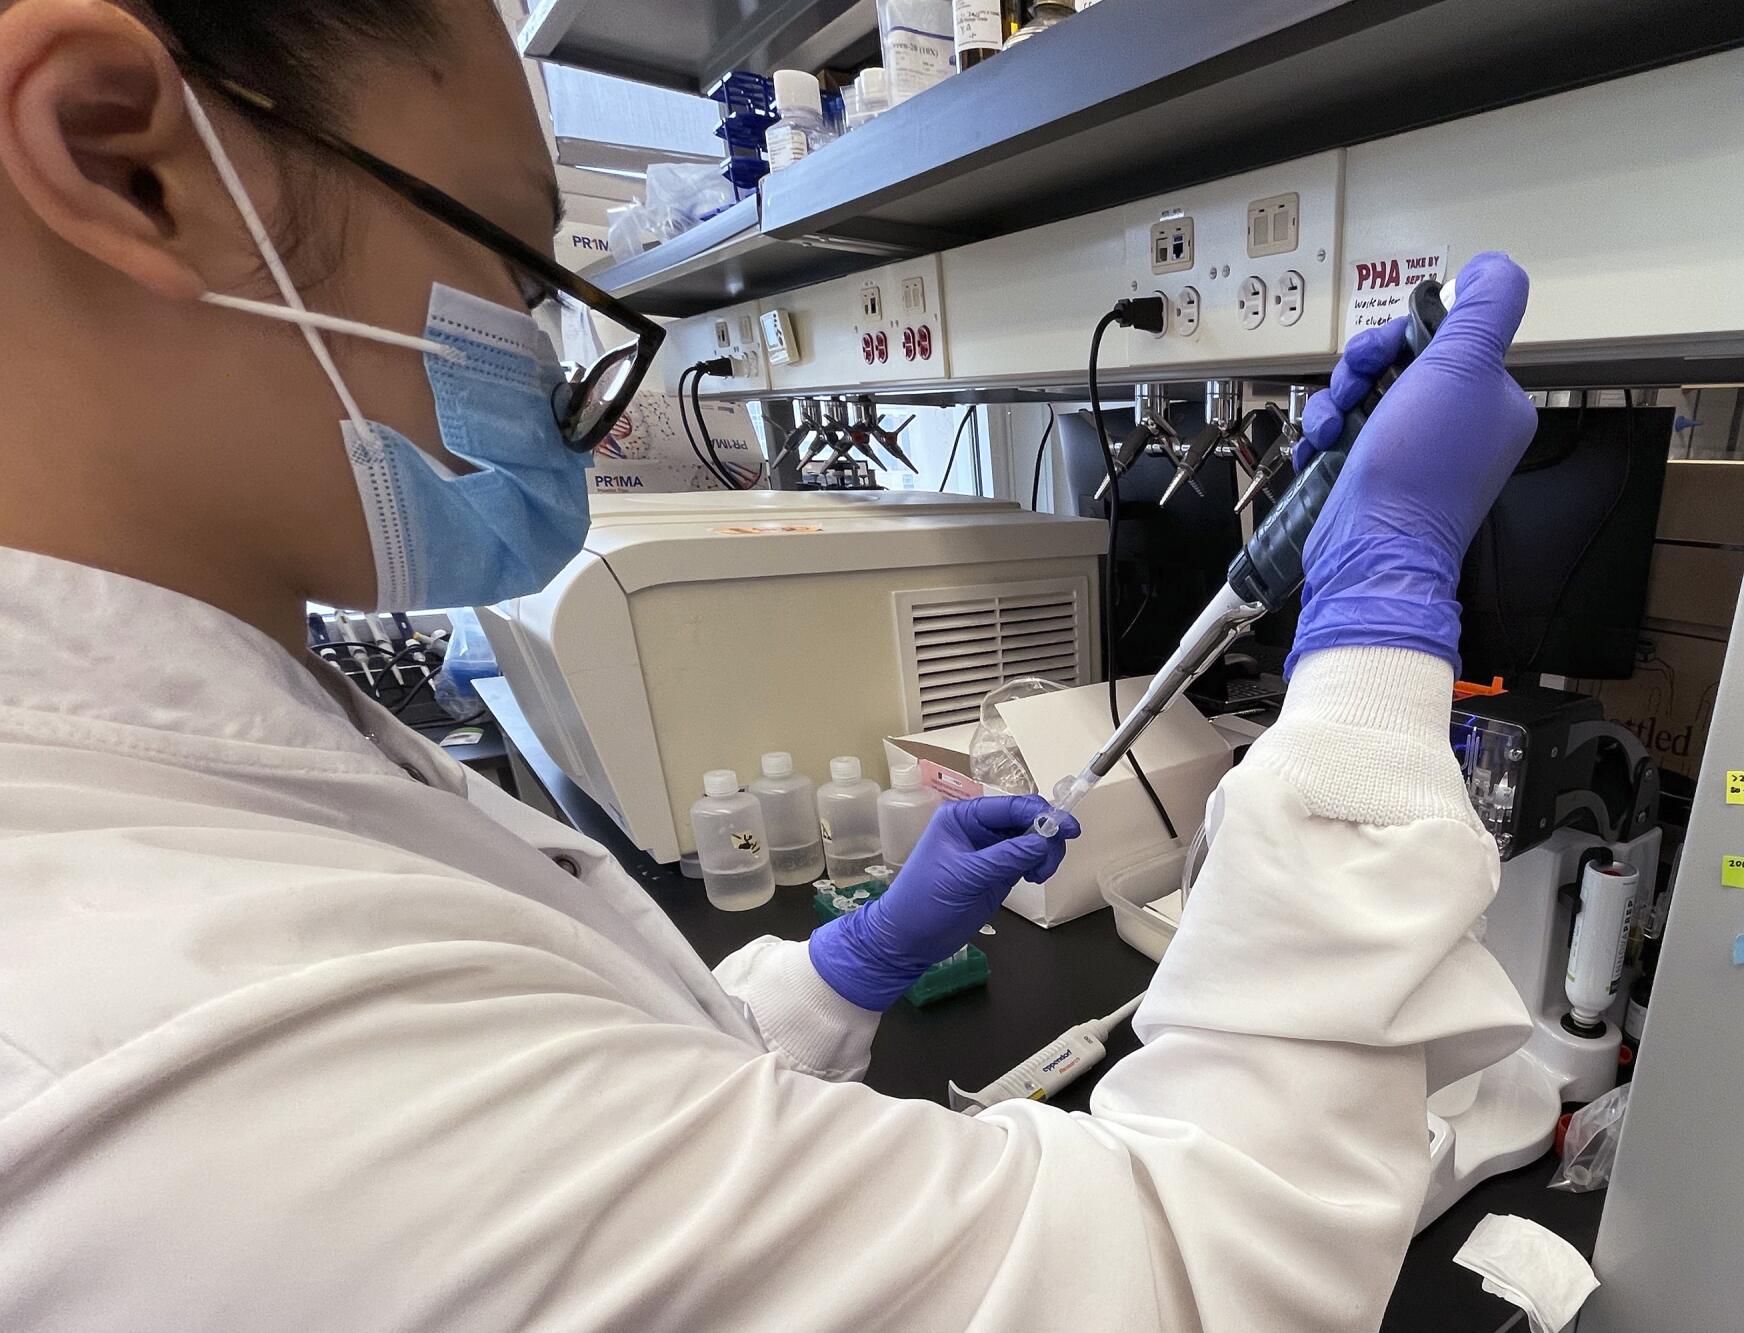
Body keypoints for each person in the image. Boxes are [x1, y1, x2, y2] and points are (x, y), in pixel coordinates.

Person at [0, 0, 1541, 1325]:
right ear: (123, 156)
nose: (550, 372)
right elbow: (1204, 1264)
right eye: (514, 268)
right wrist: (1377, 621)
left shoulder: (190, 778)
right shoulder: (175, 1049)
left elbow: (610, 1115)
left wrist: (837, 968)